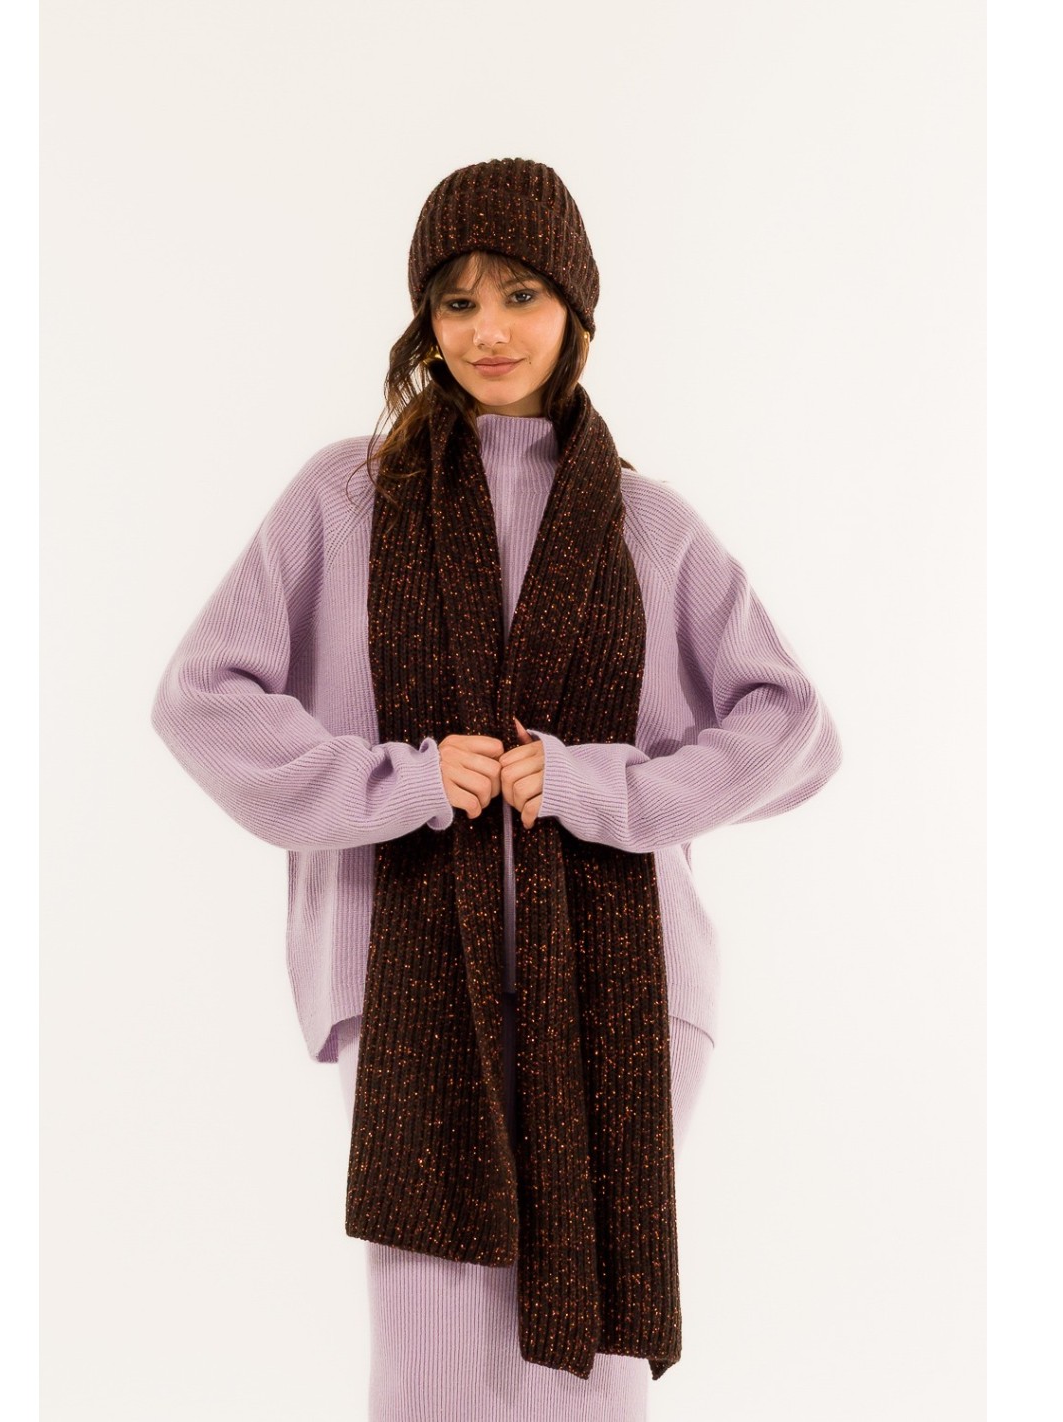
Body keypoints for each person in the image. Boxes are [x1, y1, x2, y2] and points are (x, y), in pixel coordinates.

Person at [150, 156, 843, 1421]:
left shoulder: (644, 522)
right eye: (457, 301)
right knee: (427, 1361)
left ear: (574, 310)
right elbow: (202, 697)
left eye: (520, 295)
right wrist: (398, 780)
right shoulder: (345, 496)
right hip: (406, 971)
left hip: (625, 981)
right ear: (425, 320)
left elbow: (791, 727)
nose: (488, 331)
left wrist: (603, 789)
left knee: (583, 1364)